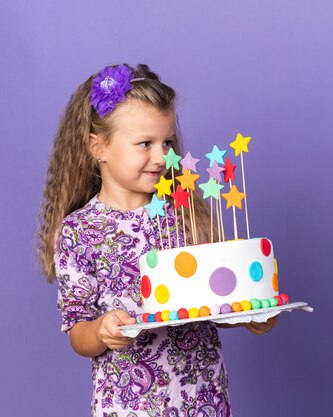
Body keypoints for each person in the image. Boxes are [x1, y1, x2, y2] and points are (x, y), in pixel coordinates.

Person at [38, 64, 276, 416]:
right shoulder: (80, 230)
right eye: (145, 144)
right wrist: (102, 330)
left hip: (203, 394)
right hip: (131, 404)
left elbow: (212, 298)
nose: (162, 156)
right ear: (97, 146)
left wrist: (251, 316)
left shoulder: (183, 212)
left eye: (167, 142)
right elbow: (78, 332)